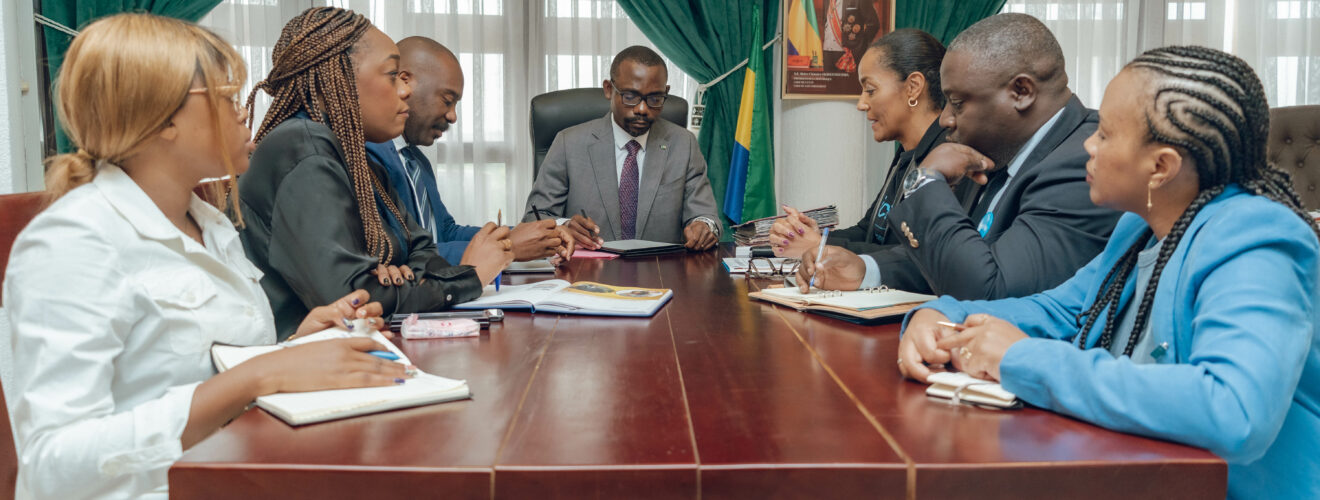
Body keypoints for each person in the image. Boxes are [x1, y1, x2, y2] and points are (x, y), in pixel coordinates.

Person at [5, 13, 408, 499]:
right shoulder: (74, 242)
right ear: (163, 117)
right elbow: (54, 463)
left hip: (235, 473)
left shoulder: (208, 221)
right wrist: (259, 374)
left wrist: (294, 347)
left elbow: (200, 370)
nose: (243, 113)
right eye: (227, 97)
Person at [902, 46, 1320, 499]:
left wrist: (1020, 359)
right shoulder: (1139, 229)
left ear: (1161, 167)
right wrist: (943, 316)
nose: (1089, 145)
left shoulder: (1257, 238)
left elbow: (1235, 412)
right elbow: (1061, 310)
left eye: (1105, 134)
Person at [797, 13, 1120, 299]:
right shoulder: (1002, 149)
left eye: (958, 103)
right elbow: (961, 257)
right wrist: (866, 269)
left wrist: (926, 181)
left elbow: (991, 290)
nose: (945, 120)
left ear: (1021, 92)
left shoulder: (1083, 163)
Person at [238, 7, 513, 340]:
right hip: (301, 362)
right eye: (393, 74)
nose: (405, 90)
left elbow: (424, 252)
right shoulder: (303, 149)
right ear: (339, 76)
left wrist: (398, 275)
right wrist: (471, 277)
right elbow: (353, 299)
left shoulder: (358, 159)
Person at [771, 28, 976, 260]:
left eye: (870, 90)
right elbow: (869, 232)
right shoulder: (906, 153)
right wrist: (815, 237)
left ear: (913, 87)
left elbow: (918, 258)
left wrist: (820, 248)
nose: (861, 104)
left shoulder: (948, 159)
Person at [365, 36, 572, 265]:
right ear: (405, 82)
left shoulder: (417, 161)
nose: (453, 116)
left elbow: (446, 232)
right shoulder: (366, 158)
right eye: (447, 100)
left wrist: (538, 235)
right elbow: (395, 257)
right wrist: (506, 247)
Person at [522, 45, 721, 251]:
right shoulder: (568, 143)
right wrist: (564, 226)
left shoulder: (684, 144)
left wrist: (704, 226)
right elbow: (533, 218)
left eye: (655, 99)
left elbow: (706, 215)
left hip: (660, 267)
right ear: (609, 89)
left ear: (666, 92)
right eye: (630, 97)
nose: (642, 109)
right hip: (589, 268)